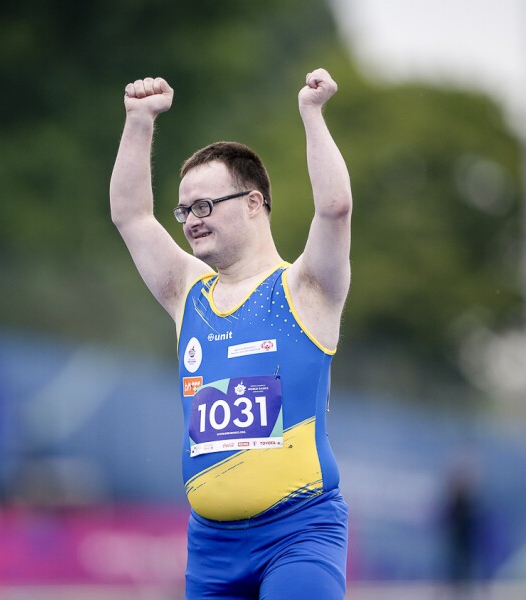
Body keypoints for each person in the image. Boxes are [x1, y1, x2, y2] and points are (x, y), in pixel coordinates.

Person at [110, 68, 352, 599]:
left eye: (205, 205)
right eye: (185, 210)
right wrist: (138, 121)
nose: (191, 220)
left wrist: (312, 115)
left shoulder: (306, 288)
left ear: (254, 202)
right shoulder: (186, 293)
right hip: (212, 550)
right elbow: (130, 215)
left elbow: (334, 209)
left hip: (299, 533)